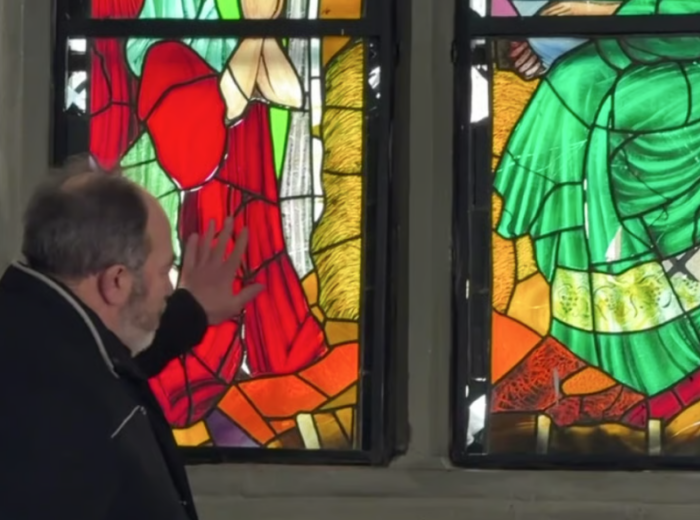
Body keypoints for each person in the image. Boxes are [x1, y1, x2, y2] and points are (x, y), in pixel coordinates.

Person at [0, 156, 262, 520]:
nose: (169, 288)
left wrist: (192, 311)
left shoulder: (36, 326)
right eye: (164, 270)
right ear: (117, 281)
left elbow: (109, 362)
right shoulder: (64, 411)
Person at [494, 0, 700, 398]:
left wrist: (603, 16)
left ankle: (657, 357)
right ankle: (581, 339)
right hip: (637, 47)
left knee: (610, 113)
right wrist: (528, 44)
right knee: (574, 80)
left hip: (682, 56)